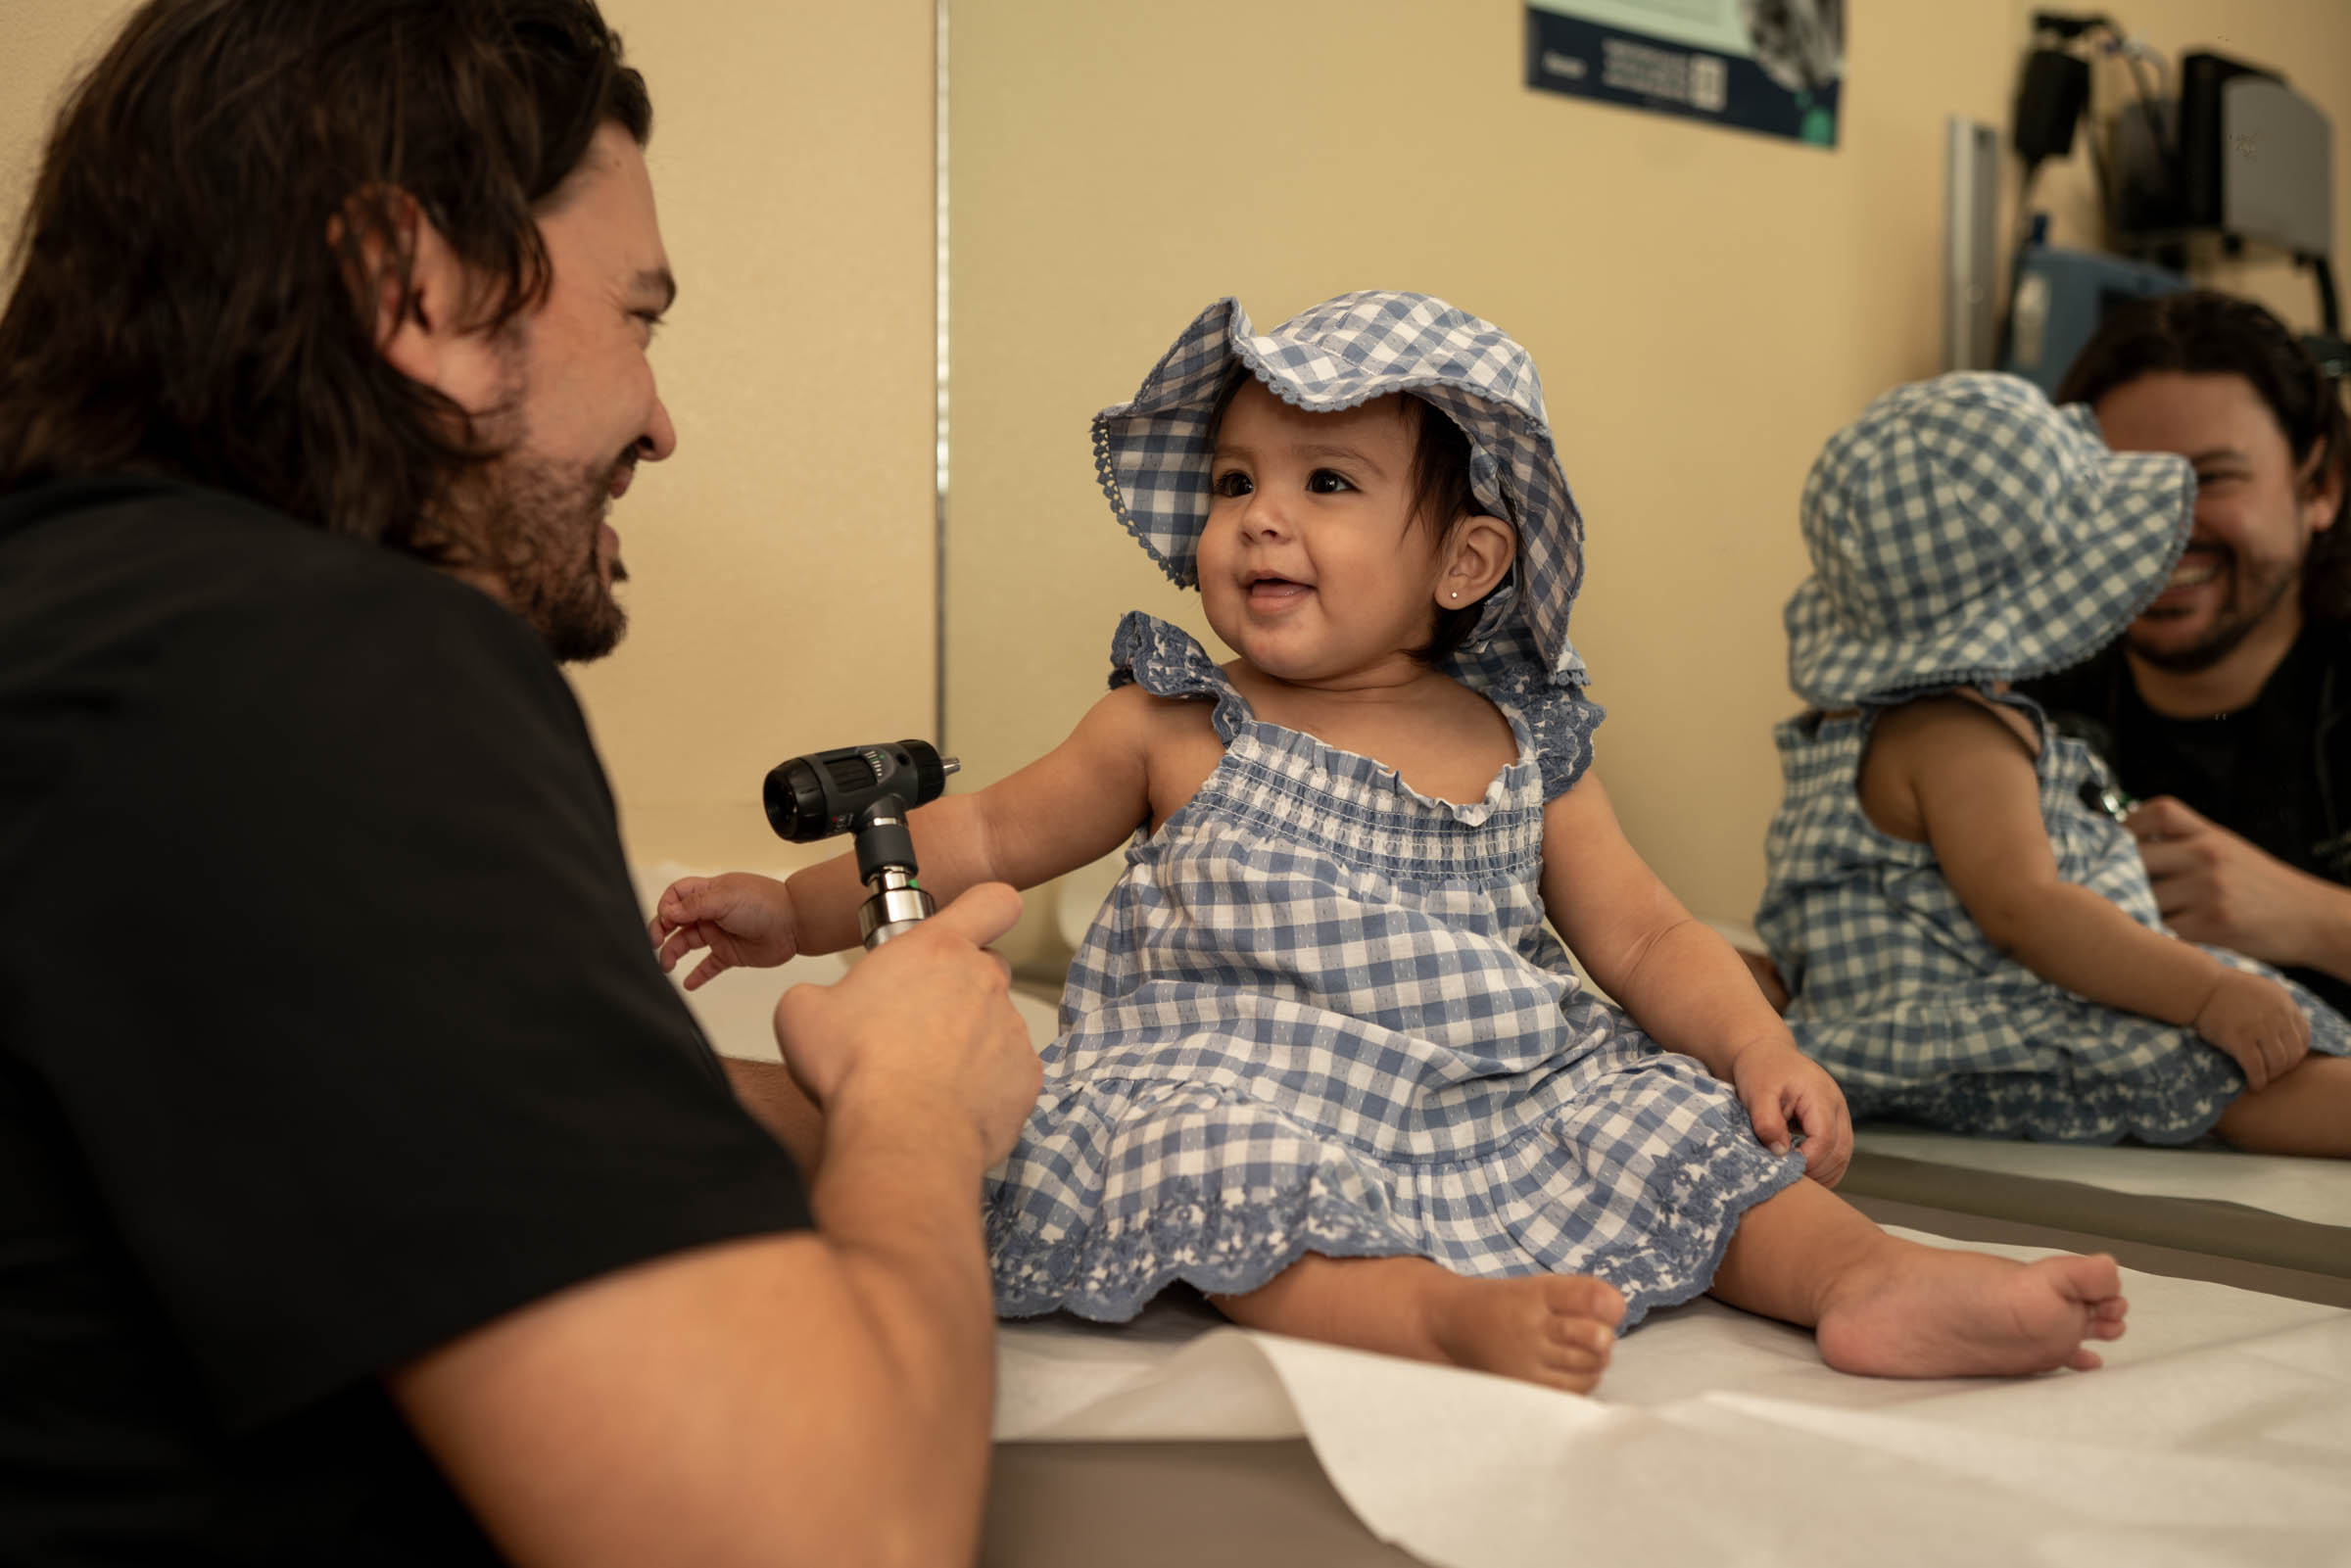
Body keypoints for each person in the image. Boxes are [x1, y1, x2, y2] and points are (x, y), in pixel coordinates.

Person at [654, 292, 2133, 1397]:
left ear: (1464, 560)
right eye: (1235, 482)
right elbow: (975, 834)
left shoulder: (1521, 739)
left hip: (1491, 1087)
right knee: (1222, 1172)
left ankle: (1868, 1280)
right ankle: (1434, 1317)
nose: (1259, 523)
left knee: (1680, 1129)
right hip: (1239, 1073)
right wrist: (793, 912)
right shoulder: (1173, 722)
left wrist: (1755, 1050)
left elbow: (1645, 936)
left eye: (1327, 484)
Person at [0, 2, 1038, 1563]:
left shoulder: (106, 640)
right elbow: (834, 1535)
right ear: (408, 286)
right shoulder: (322, 661)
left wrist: (834, 1106)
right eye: (638, 318)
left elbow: (399, 1121)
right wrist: (914, 1111)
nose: (660, 423)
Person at [1753, 372, 2351, 1156]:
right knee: (2250, 1076)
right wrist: (2207, 991)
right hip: (2009, 1007)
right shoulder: (1957, 733)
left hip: (1921, 1014)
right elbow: (2028, 912)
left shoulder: (1861, 727)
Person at [2022, 291, 2351, 1019]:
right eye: (2120, 482)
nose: (2160, 525)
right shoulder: (2011, 698)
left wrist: (2316, 920)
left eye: (2211, 479)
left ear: (2319, 486)